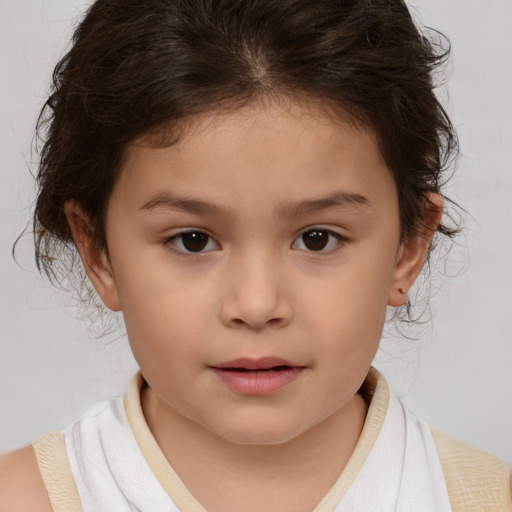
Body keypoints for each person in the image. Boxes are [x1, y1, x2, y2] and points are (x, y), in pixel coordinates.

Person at [0, 0, 510, 510]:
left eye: (317, 238)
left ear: (409, 248)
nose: (258, 303)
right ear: (98, 253)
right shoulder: (21, 497)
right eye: (192, 240)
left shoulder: (486, 499)